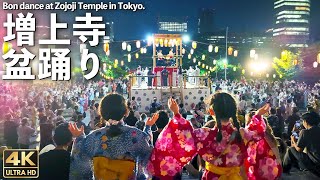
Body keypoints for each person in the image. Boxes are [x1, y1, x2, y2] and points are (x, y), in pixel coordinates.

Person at [148, 93, 281, 180]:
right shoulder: (242, 134)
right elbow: (257, 132)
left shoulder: (204, 134)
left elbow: (183, 135)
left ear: (211, 111)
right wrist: (257, 115)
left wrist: (176, 114)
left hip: (212, 177)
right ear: (233, 111)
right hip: (237, 176)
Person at [68, 93, 159, 180]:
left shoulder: (93, 138)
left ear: (102, 113)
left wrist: (79, 138)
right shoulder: (137, 136)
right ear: (125, 112)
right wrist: (147, 128)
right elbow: (149, 161)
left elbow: (79, 167)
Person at [283, 111, 320, 176]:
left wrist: (293, 141)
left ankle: (284, 171)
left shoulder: (305, 132)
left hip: (315, 166)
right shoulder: (313, 130)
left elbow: (299, 149)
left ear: (306, 121)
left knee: (291, 149)